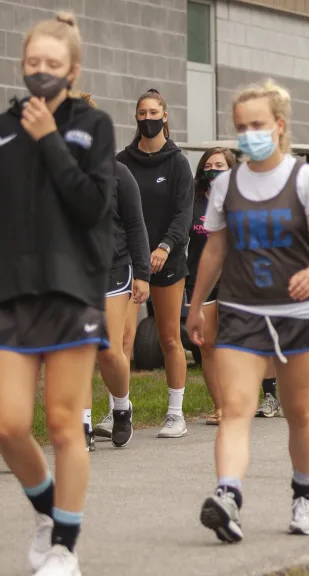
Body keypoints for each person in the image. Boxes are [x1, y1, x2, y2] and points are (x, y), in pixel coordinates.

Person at [0, 12, 115, 576]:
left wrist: (49, 139)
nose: (41, 73)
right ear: (22, 66)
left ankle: (66, 551)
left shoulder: (93, 125)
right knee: (8, 425)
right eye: (33, 64)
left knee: (63, 423)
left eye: (53, 65)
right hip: (10, 299)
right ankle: (50, 511)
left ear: (72, 70)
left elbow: (92, 206)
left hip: (73, 291)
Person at [184, 78, 309, 543]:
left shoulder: (305, 178)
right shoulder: (226, 184)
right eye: (240, 126)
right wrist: (195, 305)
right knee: (235, 408)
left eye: (257, 124)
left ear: (279, 125)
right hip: (241, 310)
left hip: (298, 313)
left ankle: (304, 497)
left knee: (299, 412)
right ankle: (228, 496)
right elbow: (213, 250)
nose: (248, 133)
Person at [116, 88, 195, 436]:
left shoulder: (177, 162)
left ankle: (175, 413)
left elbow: (184, 215)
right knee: (123, 339)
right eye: (141, 113)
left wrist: (164, 246)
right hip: (131, 263)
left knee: (169, 338)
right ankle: (119, 410)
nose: (147, 119)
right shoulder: (122, 162)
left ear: (165, 116)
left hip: (167, 261)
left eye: (153, 113)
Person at [77, 92, 150, 451]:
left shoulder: (118, 173)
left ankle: (121, 406)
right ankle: (83, 428)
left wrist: (142, 275)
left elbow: (136, 227)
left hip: (112, 269)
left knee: (107, 348)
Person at [185, 147, 235, 426]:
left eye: (220, 165)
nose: (213, 169)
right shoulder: (193, 201)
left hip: (233, 279)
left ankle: (236, 401)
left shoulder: (240, 200)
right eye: (208, 165)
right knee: (207, 345)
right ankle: (219, 406)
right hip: (200, 279)